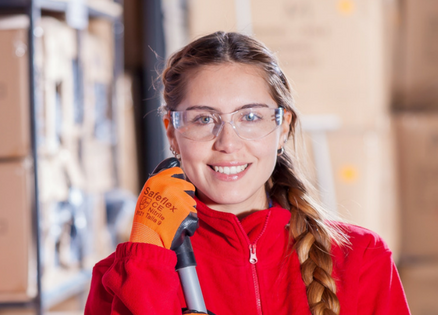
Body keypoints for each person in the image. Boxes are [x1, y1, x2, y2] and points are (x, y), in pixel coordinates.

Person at [85, 31, 411, 315]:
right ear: (172, 132)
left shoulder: (362, 259)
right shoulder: (122, 277)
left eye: (250, 117)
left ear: (283, 127)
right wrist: (146, 261)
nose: (227, 143)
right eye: (203, 119)